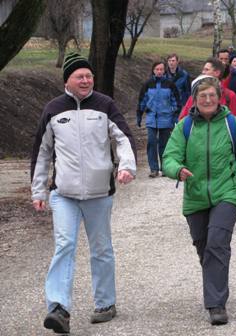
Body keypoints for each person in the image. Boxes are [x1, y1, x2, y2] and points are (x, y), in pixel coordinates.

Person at [31, 52, 137, 334]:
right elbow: (42, 153)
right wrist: (38, 190)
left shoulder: (105, 105)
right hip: (63, 194)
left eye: (89, 75)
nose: (86, 80)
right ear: (67, 79)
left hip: (100, 193)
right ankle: (58, 308)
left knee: (101, 249)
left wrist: (127, 166)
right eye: (80, 76)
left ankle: (105, 303)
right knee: (64, 246)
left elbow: (123, 138)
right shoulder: (53, 109)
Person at [162, 76, 236, 325]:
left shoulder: (233, 125)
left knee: (216, 243)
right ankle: (217, 282)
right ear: (195, 99)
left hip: (227, 194)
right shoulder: (185, 127)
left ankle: (216, 304)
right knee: (204, 247)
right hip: (195, 195)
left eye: (212, 95)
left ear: (219, 97)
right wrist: (176, 169)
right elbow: (169, 156)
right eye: (203, 96)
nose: (208, 100)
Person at [137, 60, 180, 177]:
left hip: (166, 118)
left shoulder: (170, 84)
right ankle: (154, 169)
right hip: (151, 118)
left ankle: (165, 167)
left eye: (161, 69)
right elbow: (142, 100)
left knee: (164, 144)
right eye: (157, 69)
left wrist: (175, 116)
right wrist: (139, 115)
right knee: (151, 142)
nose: (159, 71)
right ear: (153, 70)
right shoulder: (147, 84)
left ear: (164, 70)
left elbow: (176, 101)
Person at [178, 57, 236, 122]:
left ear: (217, 73)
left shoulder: (229, 96)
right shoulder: (196, 94)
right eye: (203, 69)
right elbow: (183, 119)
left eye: (206, 70)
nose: (203, 72)